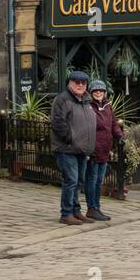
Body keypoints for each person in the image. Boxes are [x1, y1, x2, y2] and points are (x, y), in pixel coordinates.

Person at [49, 70, 95, 226]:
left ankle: (76, 211)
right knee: (71, 180)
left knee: (79, 181)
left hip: (82, 149)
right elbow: (57, 122)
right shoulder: (62, 99)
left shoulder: (86, 101)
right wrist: (71, 138)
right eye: (77, 82)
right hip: (66, 148)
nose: (80, 85)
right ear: (70, 83)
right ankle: (66, 213)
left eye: (83, 83)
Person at [85, 79, 123, 222]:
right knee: (92, 180)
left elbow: (113, 124)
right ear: (91, 92)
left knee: (100, 180)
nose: (98, 92)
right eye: (95, 90)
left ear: (105, 92)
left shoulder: (107, 106)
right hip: (94, 150)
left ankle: (97, 207)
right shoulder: (89, 106)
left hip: (105, 150)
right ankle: (92, 208)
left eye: (101, 90)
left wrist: (120, 135)